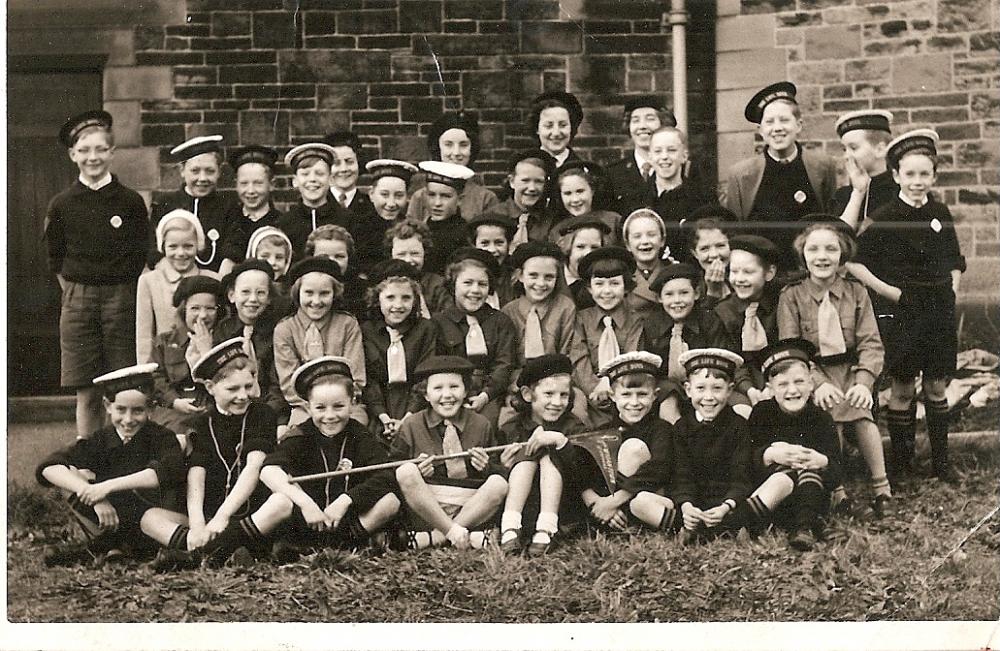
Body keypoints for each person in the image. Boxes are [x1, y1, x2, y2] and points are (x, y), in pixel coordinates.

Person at [847, 129, 965, 483]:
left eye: (924, 174)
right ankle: (901, 467)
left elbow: (955, 260)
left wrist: (952, 289)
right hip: (902, 315)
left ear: (934, 176)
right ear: (896, 175)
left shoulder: (940, 212)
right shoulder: (884, 216)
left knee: (936, 387)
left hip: (938, 313)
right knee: (901, 387)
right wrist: (892, 293)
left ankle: (941, 466)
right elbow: (852, 261)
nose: (917, 182)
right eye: (909, 174)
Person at [46, 110, 150, 439]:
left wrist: (117, 290)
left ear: (111, 153)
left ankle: (123, 460)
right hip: (79, 300)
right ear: (73, 155)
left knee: (122, 387)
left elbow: (141, 253)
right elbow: (56, 260)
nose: (93, 157)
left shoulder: (130, 201)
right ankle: (87, 460)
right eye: (85, 150)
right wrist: (81, 293)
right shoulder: (62, 204)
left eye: (100, 150)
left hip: (122, 297)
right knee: (87, 390)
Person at [778, 218, 890, 516]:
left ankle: (882, 489)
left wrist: (864, 382)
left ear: (842, 254)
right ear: (803, 255)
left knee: (862, 416)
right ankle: (837, 492)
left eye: (831, 249)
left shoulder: (856, 292)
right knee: (832, 419)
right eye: (813, 249)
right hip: (811, 374)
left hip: (851, 370)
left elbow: (871, 343)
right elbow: (791, 351)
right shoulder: (792, 296)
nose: (822, 256)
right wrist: (816, 382)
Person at [143, 338, 278, 569]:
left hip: (248, 511)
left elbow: (254, 466)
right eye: (232, 389)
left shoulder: (262, 414)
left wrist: (223, 517)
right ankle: (218, 550)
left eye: (248, 386)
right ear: (209, 387)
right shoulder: (201, 422)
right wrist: (197, 523)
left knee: (280, 504)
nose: (243, 395)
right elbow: (197, 472)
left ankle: (199, 555)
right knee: (149, 518)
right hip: (211, 515)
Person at [36, 363, 183, 566]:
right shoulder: (101, 439)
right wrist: (93, 495)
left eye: (138, 411)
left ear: (150, 409)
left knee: (149, 516)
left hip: (153, 521)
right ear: (107, 406)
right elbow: (49, 466)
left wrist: (105, 487)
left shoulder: (161, 437)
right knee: (70, 475)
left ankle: (106, 548)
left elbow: (161, 473)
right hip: (113, 518)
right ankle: (112, 547)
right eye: (120, 410)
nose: (128, 420)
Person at [258, 356, 401, 562]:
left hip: (344, 521)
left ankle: (342, 544)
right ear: (308, 408)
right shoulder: (300, 435)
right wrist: (305, 503)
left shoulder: (359, 434)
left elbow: (385, 474)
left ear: (352, 404)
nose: (330, 415)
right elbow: (268, 469)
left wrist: (346, 500)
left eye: (338, 406)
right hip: (307, 520)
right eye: (320, 408)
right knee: (279, 496)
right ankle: (301, 547)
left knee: (390, 502)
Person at [630, 348, 749, 544]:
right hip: (692, 503)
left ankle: (721, 524)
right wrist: (686, 506)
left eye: (717, 388)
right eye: (700, 388)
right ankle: (686, 525)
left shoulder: (738, 426)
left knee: (749, 504)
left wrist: (726, 506)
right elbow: (681, 475)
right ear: (688, 390)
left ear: (729, 390)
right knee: (639, 503)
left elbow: (741, 475)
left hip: (726, 503)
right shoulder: (681, 428)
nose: (709, 397)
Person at [733, 338, 842, 551]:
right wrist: (771, 454)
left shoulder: (821, 418)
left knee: (808, 471)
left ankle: (804, 529)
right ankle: (745, 521)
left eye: (799, 382)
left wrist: (822, 461)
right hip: (772, 495)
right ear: (770, 388)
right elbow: (747, 460)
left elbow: (837, 473)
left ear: (811, 383)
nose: (792, 390)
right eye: (783, 384)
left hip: (810, 498)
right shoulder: (762, 413)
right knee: (785, 474)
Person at [391, 355, 509, 550]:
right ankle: (460, 534)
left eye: (454, 387)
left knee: (498, 484)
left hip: (470, 504)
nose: (447, 395)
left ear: (465, 391)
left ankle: (440, 536)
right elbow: (393, 469)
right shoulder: (411, 425)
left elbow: (498, 470)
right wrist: (415, 469)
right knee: (405, 472)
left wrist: (486, 467)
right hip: (429, 505)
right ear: (426, 394)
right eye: (438, 388)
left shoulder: (481, 424)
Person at [720, 82, 837, 273]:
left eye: (784, 120)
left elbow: (831, 222)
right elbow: (735, 233)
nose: (777, 128)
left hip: (810, 273)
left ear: (798, 125)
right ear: (760, 130)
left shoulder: (822, 167)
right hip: (762, 277)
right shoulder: (741, 175)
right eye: (769, 122)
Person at [551, 351, 671, 532]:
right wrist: (598, 504)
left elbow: (659, 470)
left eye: (642, 394)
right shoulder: (604, 430)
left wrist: (612, 502)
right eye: (626, 394)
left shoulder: (661, 429)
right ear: (613, 396)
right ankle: (616, 521)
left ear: (655, 395)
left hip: (649, 499)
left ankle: (627, 519)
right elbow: (583, 473)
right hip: (612, 504)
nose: (634, 402)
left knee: (633, 448)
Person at [497, 354, 586, 555]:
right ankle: (510, 528)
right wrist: (503, 466)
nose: (557, 402)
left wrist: (561, 443)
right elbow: (496, 475)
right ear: (528, 394)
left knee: (548, 454)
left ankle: (546, 529)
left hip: (562, 511)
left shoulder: (574, 427)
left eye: (563, 395)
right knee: (526, 452)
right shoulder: (511, 428)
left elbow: (584, 473)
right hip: (525, 509)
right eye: (549, 394)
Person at [273, 256, 367, 429]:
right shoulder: (285, 329)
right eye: (309, 293)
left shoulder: (347, 324)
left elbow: (356, 374)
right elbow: (288, 381)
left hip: (345, 405)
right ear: (297, 292)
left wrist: (337, 405)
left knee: (357, 428)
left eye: (324, 293)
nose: (316, 301)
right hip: (305, 406)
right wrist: (316, 408)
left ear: (335, 293)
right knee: (297, 436)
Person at [433, 247, 519, 427]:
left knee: (486, 424)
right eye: (467, 283)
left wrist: (485, 396)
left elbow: (504, 364)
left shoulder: (501, 321)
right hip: (451, 394)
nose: (475, 290)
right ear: (453, 285)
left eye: (482, 284)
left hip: (490, 395)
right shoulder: (438, 323)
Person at [361, 259, 439, 442]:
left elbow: (425, 375)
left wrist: (408, 417)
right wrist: (383, 417)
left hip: (416, 404)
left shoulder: (426, 329)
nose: (398, 305)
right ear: (377, 298)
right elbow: (369, 380)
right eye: (390, 298)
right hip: (380, 407)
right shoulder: (367, 331)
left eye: (406, 298)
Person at [570, 247, 646, 426]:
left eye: (614, 283)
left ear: (626, 286)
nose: (607, 291)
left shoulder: (635, 320)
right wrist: (595, 388)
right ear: (589, 288)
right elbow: (579, 358)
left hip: (624, 392)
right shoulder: (581, 319)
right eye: (599, 284)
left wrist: (611, 385)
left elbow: (632, 358)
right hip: (591, 394)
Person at [149, 275, 223, 451]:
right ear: (184, 310)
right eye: (195, 308)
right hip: (173, 408)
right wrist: (174, 401)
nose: (203, 315)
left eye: (210, 308)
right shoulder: (165, 341)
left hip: (211, 406)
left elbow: (227, 378)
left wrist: (207, 351)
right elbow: (154, 377)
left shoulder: (225, 340)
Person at [644, 263, 724, 424]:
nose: (677, 301)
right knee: (668, 405)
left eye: (684, 293)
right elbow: (651, 369)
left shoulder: (709, 321)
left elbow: (720, 358)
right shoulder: (652, 324)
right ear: (660, 298)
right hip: (668, 388)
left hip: (704, 383)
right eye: (669, 294)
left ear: (696, 293)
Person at [215, 259, 290, 426]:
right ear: (232, 295)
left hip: (271, 410)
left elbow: (277, 384)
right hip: (233, 407)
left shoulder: (277, 330)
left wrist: (266, 416)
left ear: (270, 297)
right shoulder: (223, 330)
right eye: (245, 292)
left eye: (261, 293)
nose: (253, 299)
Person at [711, 234, 781, 408]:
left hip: (777, 378)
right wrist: (749, 389)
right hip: (740, 383)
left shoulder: (780, 304)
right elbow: (731, 359)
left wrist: (771, 385)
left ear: (769, 273)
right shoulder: (724, 311)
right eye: (734, 271)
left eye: (748, 272)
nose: (739, 278)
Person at [149, 135, 232, 274]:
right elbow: (153, 248)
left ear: (219, 172)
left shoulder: (228, 206)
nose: (202, 178)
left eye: (210, 171)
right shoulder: (165, 204)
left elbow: (232, 249)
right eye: (195, 171)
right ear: (182, 170)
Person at [136, 209, 208, 364]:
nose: (181, 253)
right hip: (165, 365)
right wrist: (146, 373)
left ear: (198, 245)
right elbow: (144, 336)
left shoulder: (211, 279)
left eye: (188, 246)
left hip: (204, 360)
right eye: (173, 247)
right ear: (163, 247)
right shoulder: (149, 281)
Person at [406, 112, 499, 222]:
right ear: (438, 147)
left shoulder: (485, 199)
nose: (456, 152)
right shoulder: (420, 197)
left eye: (463, 145)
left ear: (472, 149)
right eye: (448, 144)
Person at [646, 127, 715, 252]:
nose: (664, 156)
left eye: (671, 150)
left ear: (684, 156)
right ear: (650, 157)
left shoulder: (702, 198)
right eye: (658, 151)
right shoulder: (636, 198)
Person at [218, 145, 282, 277]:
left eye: (258, 183)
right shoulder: (227, 220)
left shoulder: (282, 223)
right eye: (244, 183)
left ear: (272, 184)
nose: (251, 190)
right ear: (236, 184)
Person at [605, 96, 674, 216]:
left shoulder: (681, 169)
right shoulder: (612, 174)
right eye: (635, 120)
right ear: (629, 126)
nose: (642, 126)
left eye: (650, 119)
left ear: (663, 124)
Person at [275, 142, 343, 261]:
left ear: (331, 179)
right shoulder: (284, 223)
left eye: (320, 174)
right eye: (305, 174)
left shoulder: (348, 220)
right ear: (295, 181)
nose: (312, 179)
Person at [831, 110, 897, 232]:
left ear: (880, 149)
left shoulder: (900, 191)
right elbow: (839, 238)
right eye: (844, 149)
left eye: (853, 148)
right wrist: (857, 193)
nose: (847, 156)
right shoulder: (843, 196)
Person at [357, 158, 420, 271]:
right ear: (371, 194)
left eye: (399, 195)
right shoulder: (358, 227)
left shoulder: (411, 229)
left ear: (407, 197)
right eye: (385, 195)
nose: (391, 203)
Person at [385, 219, 453, 317]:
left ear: (425, 253)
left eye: (415, 253)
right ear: (391, 255)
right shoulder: (384, 284)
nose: (408, 260)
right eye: (401, 254)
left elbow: (447, 318)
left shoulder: (438, 285)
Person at [417, 160, 475, 275]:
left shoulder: (464, 234)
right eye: (432, 195)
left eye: (445, 196)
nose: (437, 203)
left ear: (459, 199)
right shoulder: (420, 230)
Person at [491, 150, 555, 249]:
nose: (532, 188)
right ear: (512, 181)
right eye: (525, 180)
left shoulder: (551, 220)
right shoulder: (494, 215)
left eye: (539, 181)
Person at [549, 161, 622, 246]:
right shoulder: (557, 231)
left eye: (580, 191)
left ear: (592, 191)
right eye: (568, 193)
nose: (575, 199)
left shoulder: (613, 221)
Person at [304, 224, 368, 319]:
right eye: (323, 256)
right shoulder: (302, 287)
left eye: (339, 256)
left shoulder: (363, 290)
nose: (332, 262)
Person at [622, 208, 670, 322]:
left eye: (651, 235)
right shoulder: (622, 277)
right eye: (637, 236)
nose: (645, 241)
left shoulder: (673, 272)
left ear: (662, 240)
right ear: (628, 244)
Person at [554, 214, 611, 309]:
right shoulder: (554, 277)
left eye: (595, 248)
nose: (587, 254)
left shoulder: (607, 283)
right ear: (568, 248)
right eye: (580, 247)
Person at [683, 207, 734, 308]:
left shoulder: (741, 278)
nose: (714, 254)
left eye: (720, 246)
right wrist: (712, 294)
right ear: (695, 253)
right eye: (705, 249)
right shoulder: (691, 285)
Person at [467, 213, 517, 308]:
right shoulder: (467, 274)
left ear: (508, 244)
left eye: (499, 243)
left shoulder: (513, 278)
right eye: (485, 243)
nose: (492, 250)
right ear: (474, 245)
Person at [529, 90, 584, 173]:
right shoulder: (524, 167)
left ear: (571, 128)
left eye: (563, 125)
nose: (556, 133)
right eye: (548, 126)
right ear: (537, 129)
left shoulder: (583, 170)